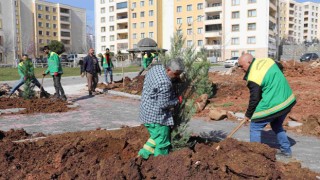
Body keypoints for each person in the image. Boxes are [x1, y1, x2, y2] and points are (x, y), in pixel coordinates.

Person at [238, 53, 296, 158]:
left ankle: (255, 156)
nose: (241, 69)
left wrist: (248, 115)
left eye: (242, 66)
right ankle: (286, 151)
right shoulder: (267, 61)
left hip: (275, 103)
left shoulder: (253, 76)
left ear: (249, 62)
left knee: (255, 126)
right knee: (276, 124)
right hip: (288, 99)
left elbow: (255, 99)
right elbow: (280, 66)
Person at [138, 58, 184, 159]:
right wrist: (177, 100)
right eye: (176, 74)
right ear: (168, 70)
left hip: (146, 110)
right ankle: (160, 165)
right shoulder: (164, 83)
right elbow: (164, 104)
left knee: (156, 137)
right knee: (163, 142)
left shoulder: (156, 68)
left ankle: (142, 156)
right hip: (157, 118)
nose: (177, 77)